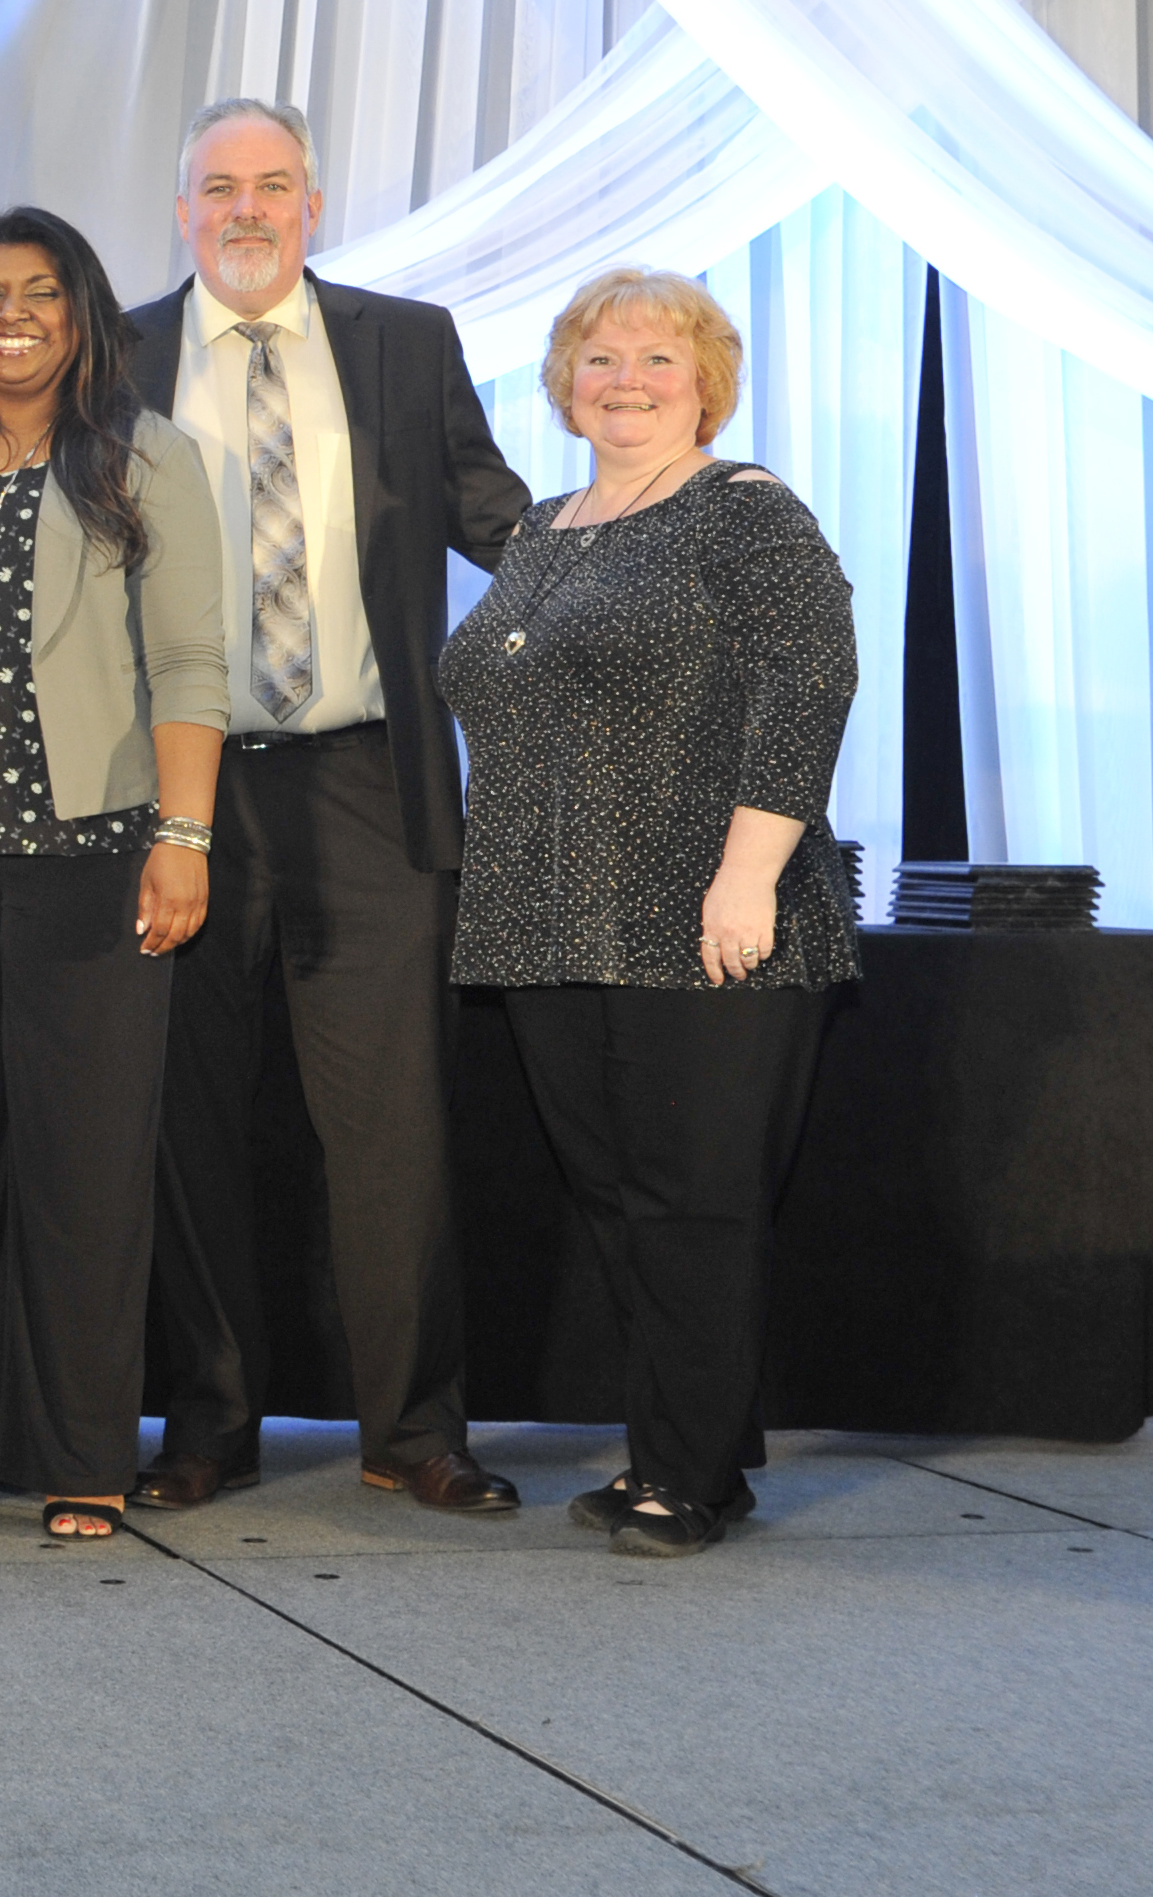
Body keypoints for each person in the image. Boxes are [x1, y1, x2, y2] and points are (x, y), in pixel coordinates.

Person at [123, 97, 533, 1518]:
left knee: (395, 1128)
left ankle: (412, 1426)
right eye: (215, 184)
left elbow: (500, 517)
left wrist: (653, 529)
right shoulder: (112, 352)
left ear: (314, 204)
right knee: (187, 1118)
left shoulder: (404, 342)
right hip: (170, 793)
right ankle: (206, 1421)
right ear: (179, 208)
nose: (245, 209)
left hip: (369, 782)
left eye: (273, 185)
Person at [445, 268, 857, 1557]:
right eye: (601, 359)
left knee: (695, 1199)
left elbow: (812, 679)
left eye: (656, 362)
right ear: (565, 383)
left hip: (705, 913)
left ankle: (688, 1473)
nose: (626, 381)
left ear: (706, 386)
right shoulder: (543, 527)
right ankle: (683, 1450)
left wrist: (746, 875)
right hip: (547, 920)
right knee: (620, 1199)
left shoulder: (745, 509)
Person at [0, 209, 227, 1542]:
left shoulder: (149, 455)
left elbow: (191, 663)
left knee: (85, 1172)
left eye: (39, 292)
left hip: (98, 860)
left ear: (81, 316)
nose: (8, 311)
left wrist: (182, 839)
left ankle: (84, 1453)